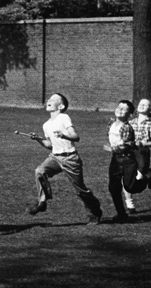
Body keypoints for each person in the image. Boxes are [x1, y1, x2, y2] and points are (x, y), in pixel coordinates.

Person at [23, 92, 104, 224]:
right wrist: (38, 139)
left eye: (53, 99)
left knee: (81, 190)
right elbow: (49, 145)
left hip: (70, 158)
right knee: (39, 171)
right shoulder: (46, 125)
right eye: (49, 98)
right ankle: (42, 201)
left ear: (60, 106)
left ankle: (95, 212)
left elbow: (76, 137)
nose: (49, 100)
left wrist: (64, 135)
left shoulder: (64, 117)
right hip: (55, 157)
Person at [104, 99, 144, 222]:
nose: (120, 110)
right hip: (115, 160)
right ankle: (121, 213)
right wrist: (113, 149)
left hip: (127, 159)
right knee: (113, 187)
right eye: (119, 107)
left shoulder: (126, 127)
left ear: (130, 114)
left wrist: (113, 148)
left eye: (124, 109)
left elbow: (128, 144)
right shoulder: (111, 123)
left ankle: (146, 176)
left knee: (130, 187)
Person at [132, 98, 151, 188]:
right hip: (130, 150)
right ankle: (148, 173)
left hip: (142, 152)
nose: (141, 105)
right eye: (140, 104)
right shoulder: (130, 123)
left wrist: (143, 144)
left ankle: (147, 175)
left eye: (145, 104)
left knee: (139, 177)